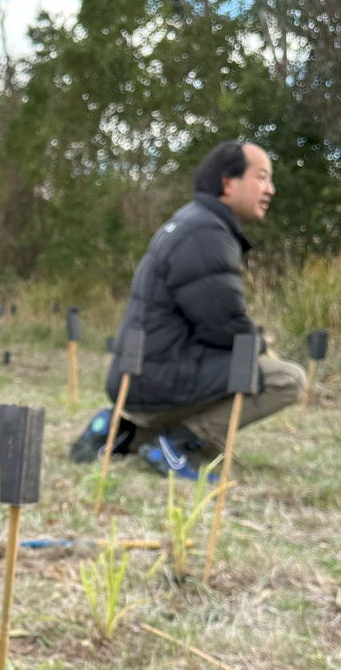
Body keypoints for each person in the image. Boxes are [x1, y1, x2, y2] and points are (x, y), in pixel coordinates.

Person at [89, 140, 304, 479]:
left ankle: (123, 436)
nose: (270, 189)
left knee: (223, 432)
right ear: (228, 182)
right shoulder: (206, 233)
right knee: (286, 378)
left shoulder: (191, 222)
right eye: (261, 177)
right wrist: (260, 343)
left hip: (143, 376)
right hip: (159, 378)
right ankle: (179, 444)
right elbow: (224, 326)